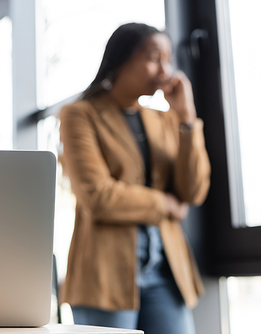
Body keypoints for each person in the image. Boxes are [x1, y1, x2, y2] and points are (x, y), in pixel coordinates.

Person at [58, 23, 210, 334]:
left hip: (166, 271)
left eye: (167, 60)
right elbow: (98, 197)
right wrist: (165, 203)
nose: (164, 70)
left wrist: (187, 119)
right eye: (155, 58)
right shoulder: (79, 115)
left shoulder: (163, 119)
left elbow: (193, 191)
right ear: (122, 58)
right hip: (105, 276)